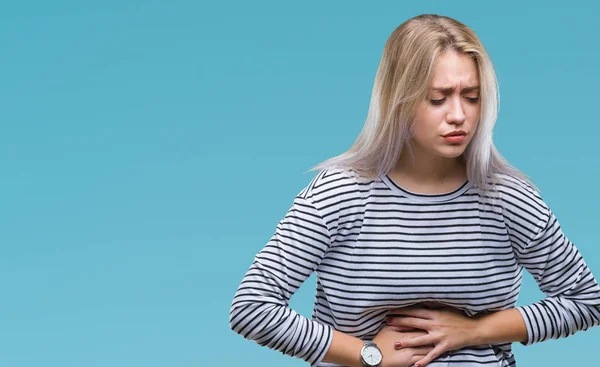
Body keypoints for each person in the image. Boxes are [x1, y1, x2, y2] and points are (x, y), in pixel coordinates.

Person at [229, 13, 600, 367]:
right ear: (399, 100)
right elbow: (252, 307)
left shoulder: (508, 198)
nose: (459, 114)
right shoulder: (338, 195)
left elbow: (587, 301)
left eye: (471, 96)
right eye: (438, 98)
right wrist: (367, 355)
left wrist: (472, 331)